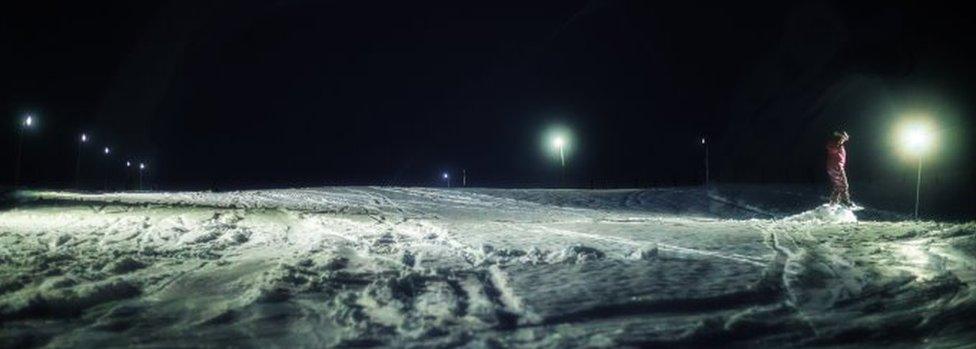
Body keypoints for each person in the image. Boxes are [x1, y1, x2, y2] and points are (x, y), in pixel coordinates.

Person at [826, 130, 853, 207]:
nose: (846, 138)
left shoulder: (838, 144)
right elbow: (833, 148)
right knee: (844, 185)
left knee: (837, 186)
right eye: (845, 137)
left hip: (832, 167)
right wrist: (842, 139)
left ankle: (833, 203)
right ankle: (845, 202)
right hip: (836, 167)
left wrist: (842, 139)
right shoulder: (835, 144)